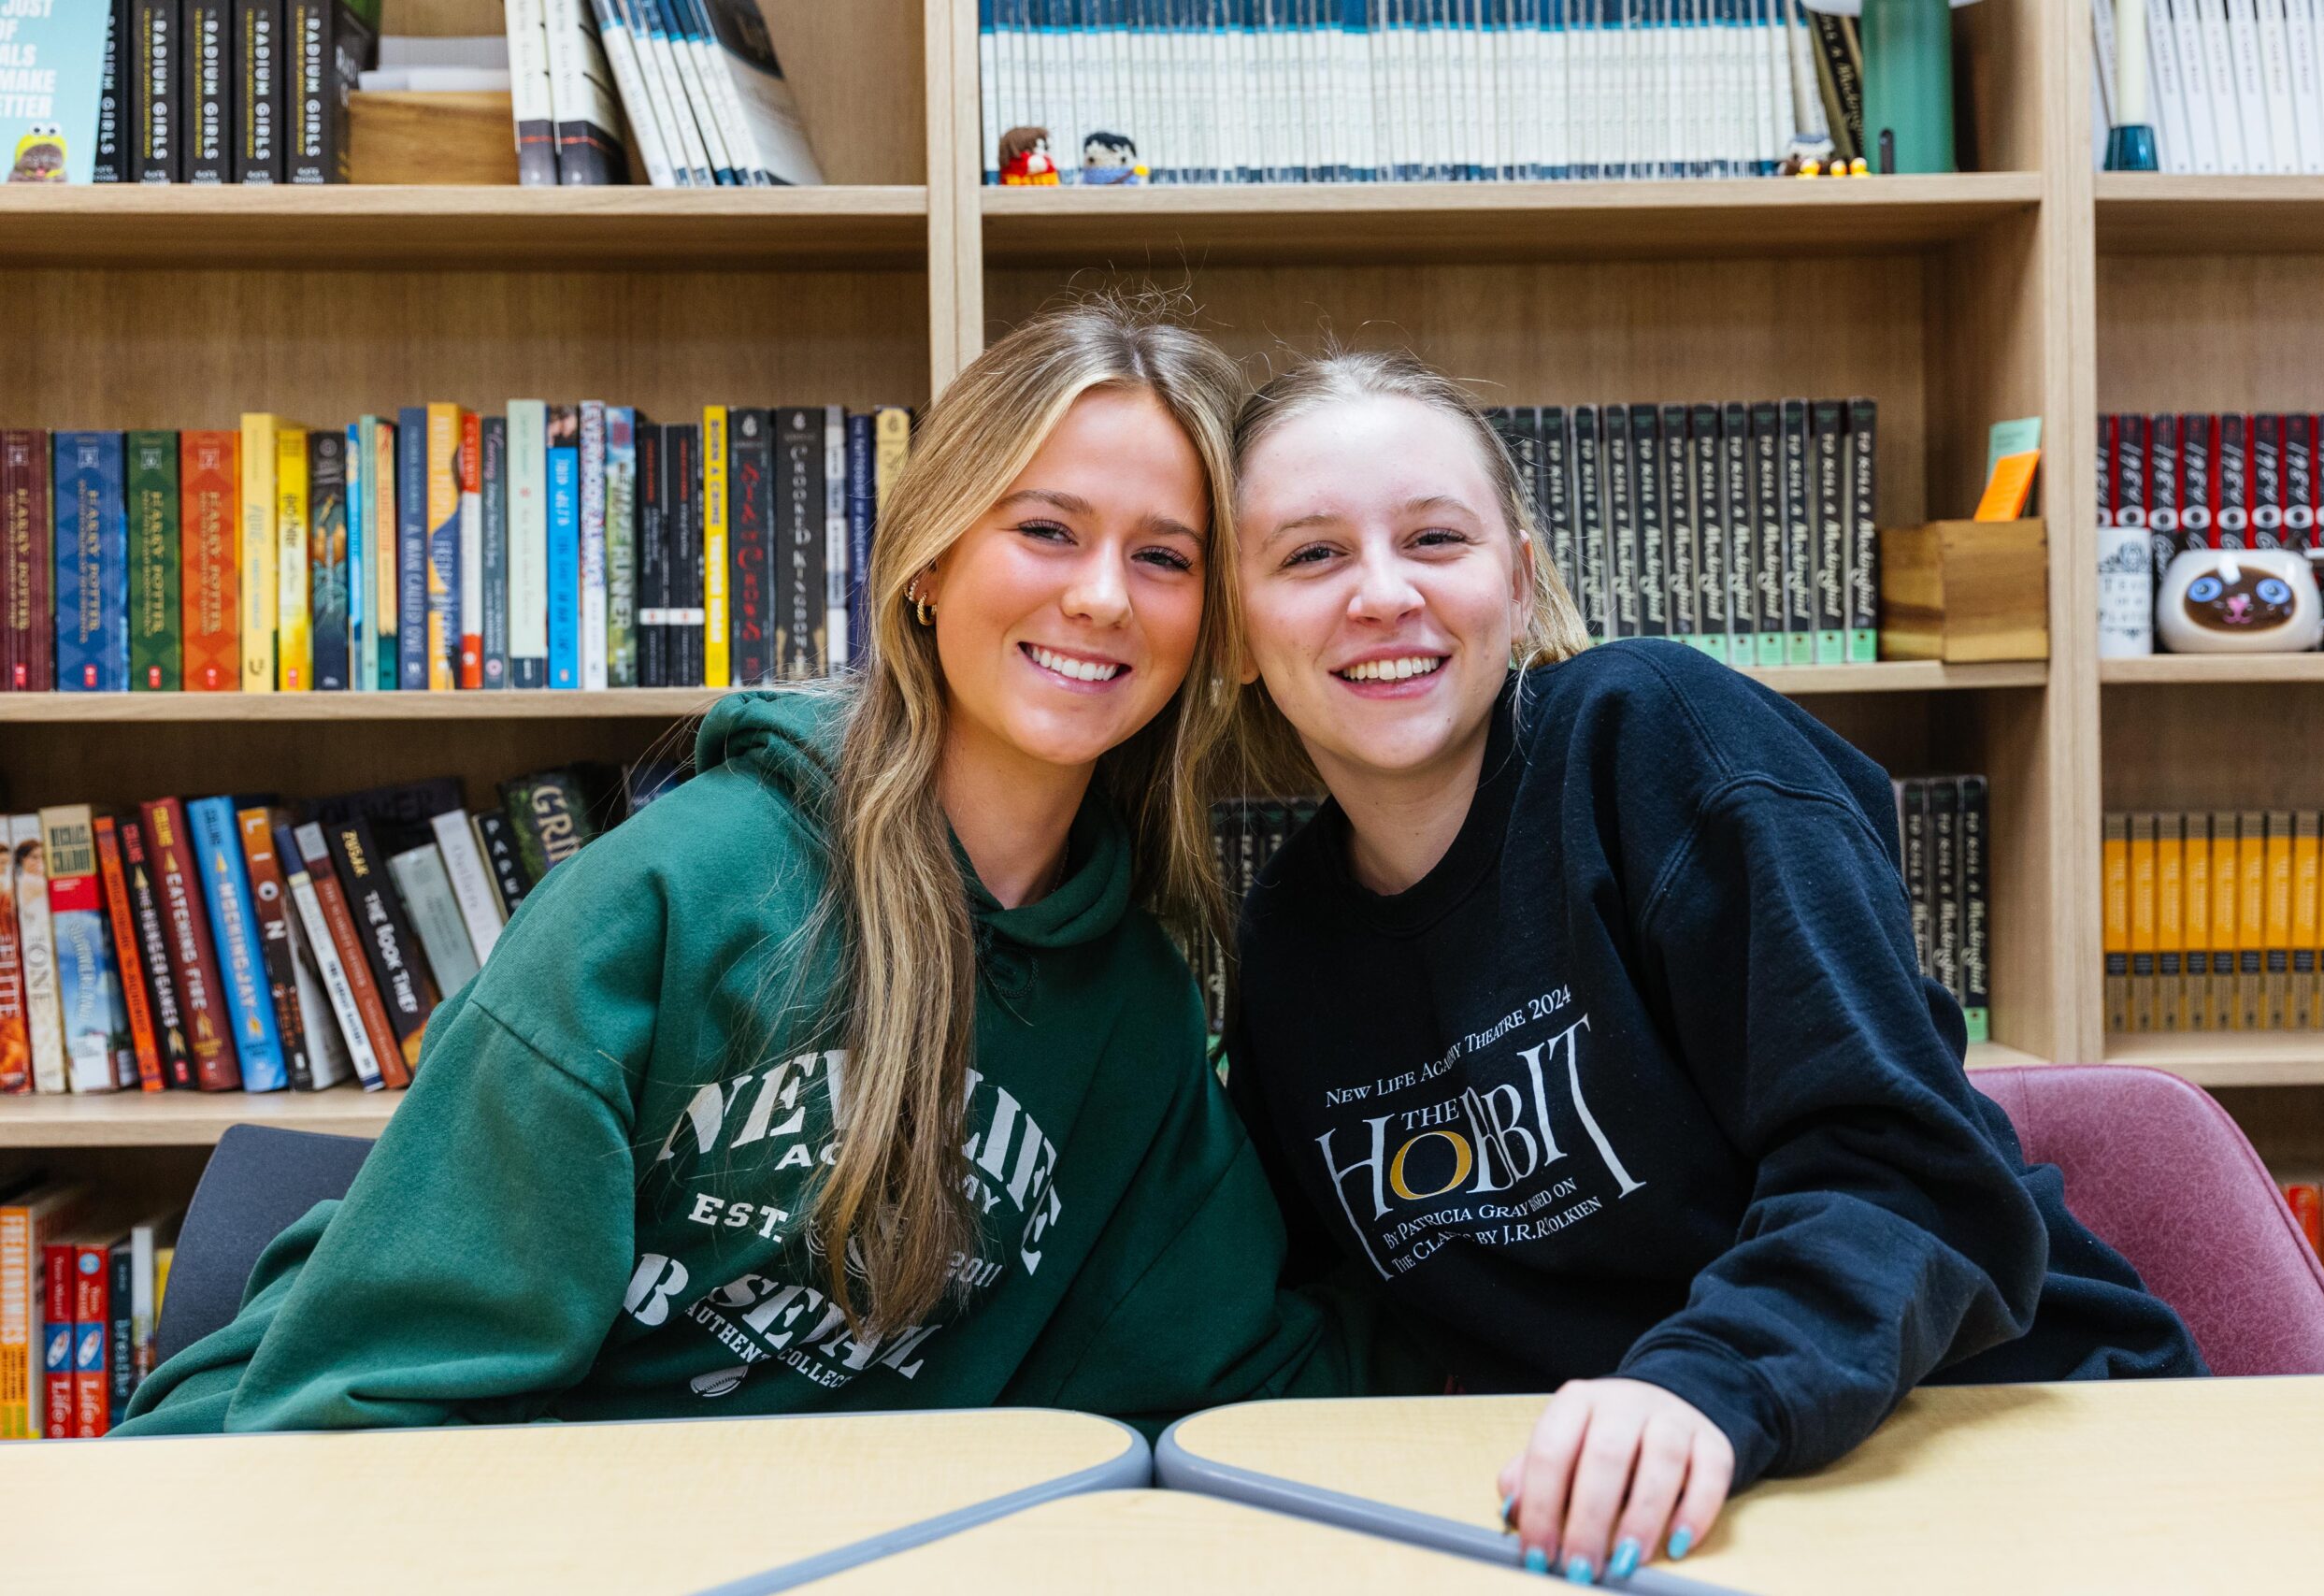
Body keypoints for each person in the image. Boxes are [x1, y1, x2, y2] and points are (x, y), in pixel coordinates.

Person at [119, 298, 1394, 1436]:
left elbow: (1216, 1377)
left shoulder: (1138, 1007)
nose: (1104, 597)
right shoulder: (675, 894)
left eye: (1163, 556)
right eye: (1048, 530)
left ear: (1208, 624)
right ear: (932, 563)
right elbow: (371, 1395)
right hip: (359, 1490)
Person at [1222, 349, 2205, 1585]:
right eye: (1310, 556)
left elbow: (1909, 1177)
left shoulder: (1654, 742)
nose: (1381, 594)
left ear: (1518, 582)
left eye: (1435, 540)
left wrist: (1700, 1384)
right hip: (1644, 1521)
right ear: (1238, 634)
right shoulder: (1285, 950)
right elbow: (1330, 1301)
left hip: (1992, 1438)